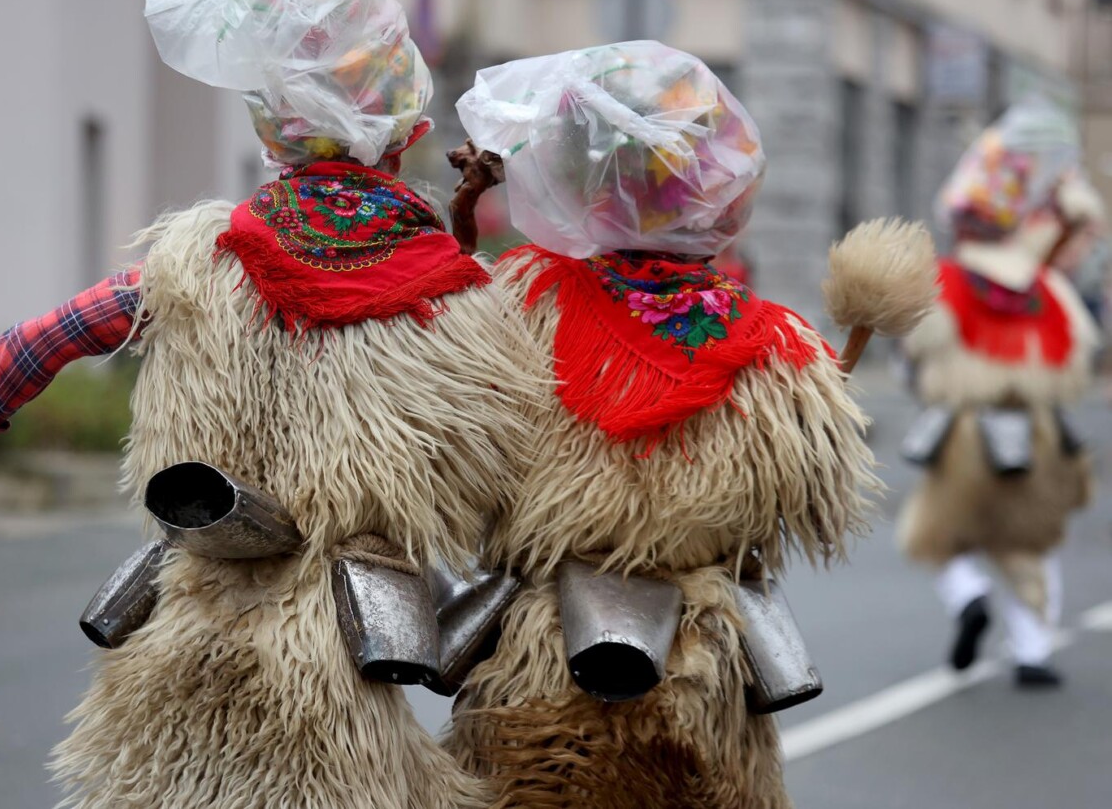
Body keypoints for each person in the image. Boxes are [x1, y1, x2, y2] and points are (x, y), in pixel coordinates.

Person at [0, 0, 536, 806]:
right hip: (338, 661)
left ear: (269, 126)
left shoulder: (193, 262)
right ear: (407, 131)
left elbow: (46, 340)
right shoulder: (459, 298)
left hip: (186, 636)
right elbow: (514, 458)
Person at [440, 41, 937, 808]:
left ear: (579, 178)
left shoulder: (520, 304)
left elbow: (457, 450)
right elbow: (796, 511)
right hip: (701, 672)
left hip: (535, 670)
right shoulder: (781, 351)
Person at [897, 98, 1103, 688]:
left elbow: (920, 345)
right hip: (1035, 429)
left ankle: (968, 596)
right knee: (1031, 543)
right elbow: (1077, 359)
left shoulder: (951, 280)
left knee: (944, 534)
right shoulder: (1045, 288)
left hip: (963, 428)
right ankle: (1033, 650)